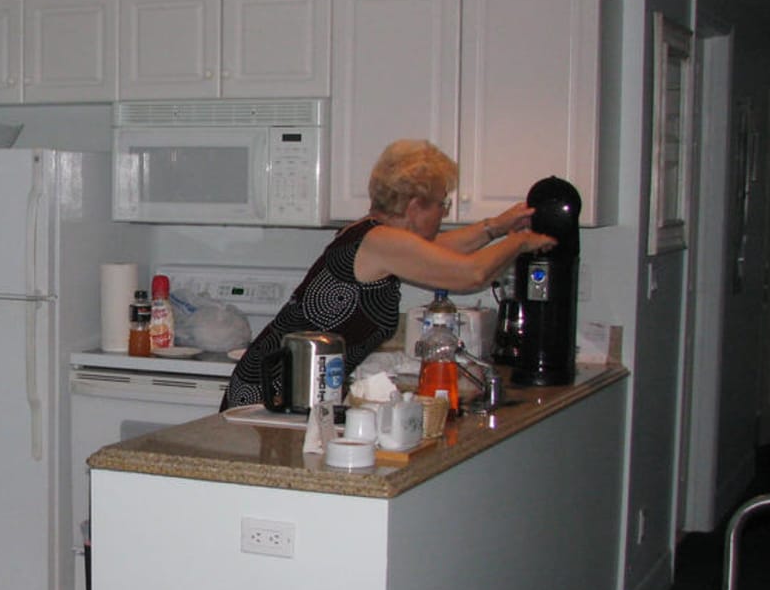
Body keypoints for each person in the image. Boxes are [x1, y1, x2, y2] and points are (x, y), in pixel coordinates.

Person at [221, 139, 558, 410]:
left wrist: (496, 227)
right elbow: (472, 274)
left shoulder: (372, 235)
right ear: (414, 206)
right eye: (441, 204)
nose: (443, 213)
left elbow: (442, 251)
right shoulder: (381, 241)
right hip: (270, 394)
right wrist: (520, 241)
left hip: (297, 390)